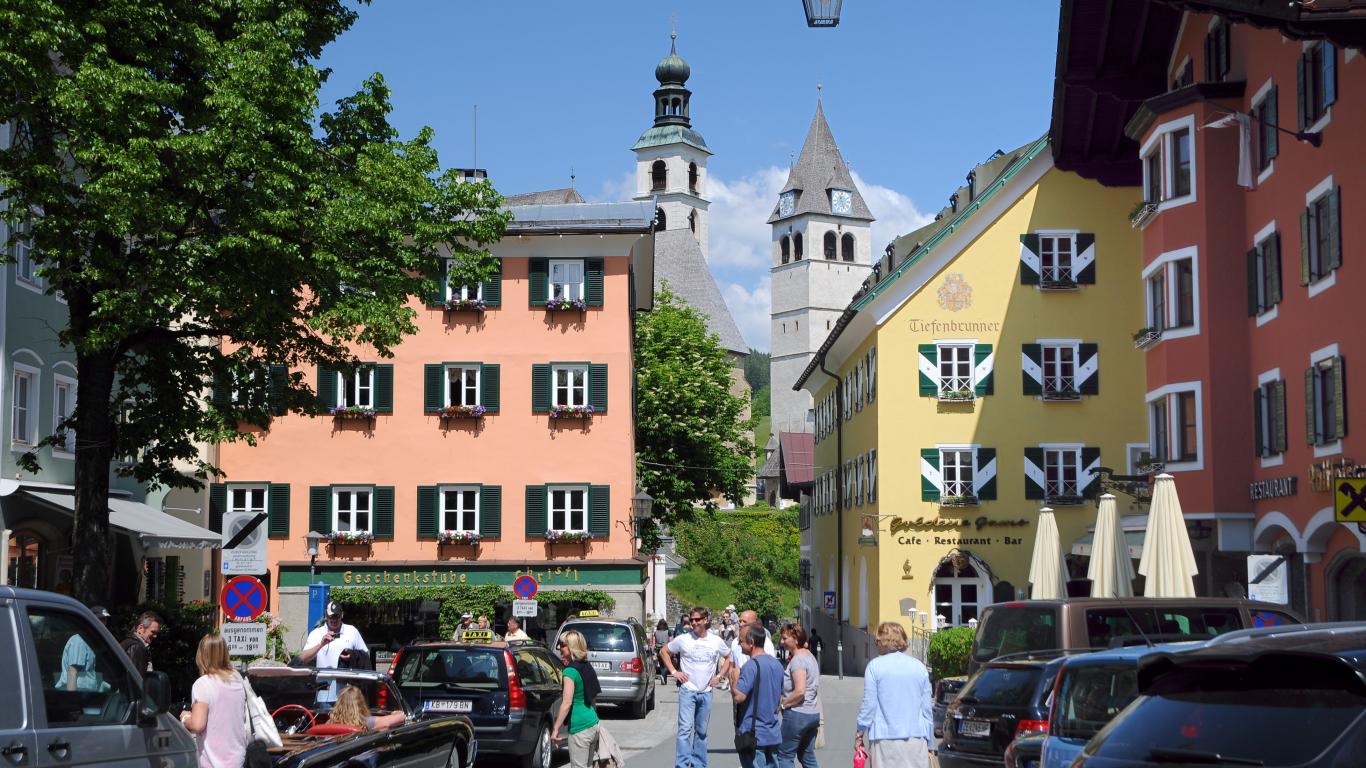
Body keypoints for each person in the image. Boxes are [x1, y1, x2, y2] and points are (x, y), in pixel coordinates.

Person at [855, 623, 934, 768]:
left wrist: (860, 733)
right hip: (916, 739)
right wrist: (930, 742)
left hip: (884, 740)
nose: (876, 644)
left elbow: (869, 705)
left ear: (883, 642)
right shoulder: (919, 667)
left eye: (877, 641)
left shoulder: (874, 666)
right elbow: (926, 710)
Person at [661, 606, 732, 768]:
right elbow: (664, 652)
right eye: (691, 620)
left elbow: (729, 656)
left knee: (701, 731)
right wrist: (674, 671)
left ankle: (699, 764)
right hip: (688, 690)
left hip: (706, 691)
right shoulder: (684, 639)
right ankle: (682, 765)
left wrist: (720, 676)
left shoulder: (715, 640)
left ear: (705, 620)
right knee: (684, 730)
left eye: (697, 619)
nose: (693, 623)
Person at [181, 634, 250, 768]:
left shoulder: (203, 684)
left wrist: (185, 718)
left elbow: (197, 725)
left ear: (202, 655)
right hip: (238, 760)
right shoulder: (237, 680)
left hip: (213, 762)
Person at [731, 624, 784, 768]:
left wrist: (734, 680)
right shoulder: (777, 665)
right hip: (772, 732)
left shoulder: (750, 666)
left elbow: (739, 697)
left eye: (741, 641)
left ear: (751, 642)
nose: (739, 644)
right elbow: (780, 699)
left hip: (754, 734)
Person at [551, 629, 601, 768]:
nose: (559, 647)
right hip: (593, 723)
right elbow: (593, 698)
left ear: (571, 647)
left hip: (580, 728)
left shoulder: (570, 671)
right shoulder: (587, 666)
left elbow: (566, 703)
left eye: (562, 644)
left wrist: (555, 729)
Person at [777, 624, 820, 768]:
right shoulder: (810, 656)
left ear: (796, 639)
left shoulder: (798, 660)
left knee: (784, 755)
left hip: (797, 714)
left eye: (785, 638)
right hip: (812, 713)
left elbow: (800, 691)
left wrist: (783, 704)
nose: (782, 641)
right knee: (806, 754)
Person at [729, 612, 775, 725]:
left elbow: (770, 669)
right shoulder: (735, 642)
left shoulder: (766, 643)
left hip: (758, 692)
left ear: (754, 623)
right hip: (739, 687)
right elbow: (732, 666)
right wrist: (732, 683)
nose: (740, 623)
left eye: (744, 621)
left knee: (756, 725)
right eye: (740, 621)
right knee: (739, 725)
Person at [299, 601, 368, 669]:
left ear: (342, 615)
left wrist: (352, 655)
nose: (334, 620)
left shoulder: (352, 631)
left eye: (337, 616)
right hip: (323, 676)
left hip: (346, 676)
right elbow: (303, 658)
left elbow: (365, 655)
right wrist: (320, 645)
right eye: (331, 616)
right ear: (326, 615)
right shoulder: (316, 633)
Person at [58, 605, 109, 692]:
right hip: (78, 694)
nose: (103, 623)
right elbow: (72, 672)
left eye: (104, 620)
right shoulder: (79, 641)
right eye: (100, 619)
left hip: (87, 694)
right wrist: (73, 699)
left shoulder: (90, 642)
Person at [329, 685, 407, 732]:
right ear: (361, 703)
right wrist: (394, 713)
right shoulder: (366, 722)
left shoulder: (330, 722)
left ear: (338, 703)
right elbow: (401, 717)